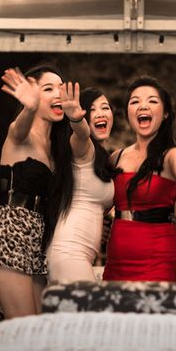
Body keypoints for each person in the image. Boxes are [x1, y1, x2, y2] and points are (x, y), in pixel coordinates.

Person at [0, 66, 73, 318]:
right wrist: (29, 108)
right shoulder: (19, 134)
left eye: (61, 90)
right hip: (9, 234)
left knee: (40, 329)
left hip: (36, 242)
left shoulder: (58, 147)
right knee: (26, 328)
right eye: (48, 89)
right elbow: (18, 128)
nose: (57, 95)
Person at [103, 76, 176, 282]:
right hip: (117, 252)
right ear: (128, 114)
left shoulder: (173, 156)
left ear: (166, 113)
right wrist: (97, 225)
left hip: (157, 253)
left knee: (154, 311)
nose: (143, 106)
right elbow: (101, 203)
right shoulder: (116, 157)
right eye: (135, 101)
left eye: (152, 101)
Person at [46, 85, 116, 282]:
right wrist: (77, 119)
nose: (101, 113)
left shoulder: (104, 159)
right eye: (92, 110)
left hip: (78, 257)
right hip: (69, 253)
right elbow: (81, 136)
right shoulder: (84, 150)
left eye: (105, 107)